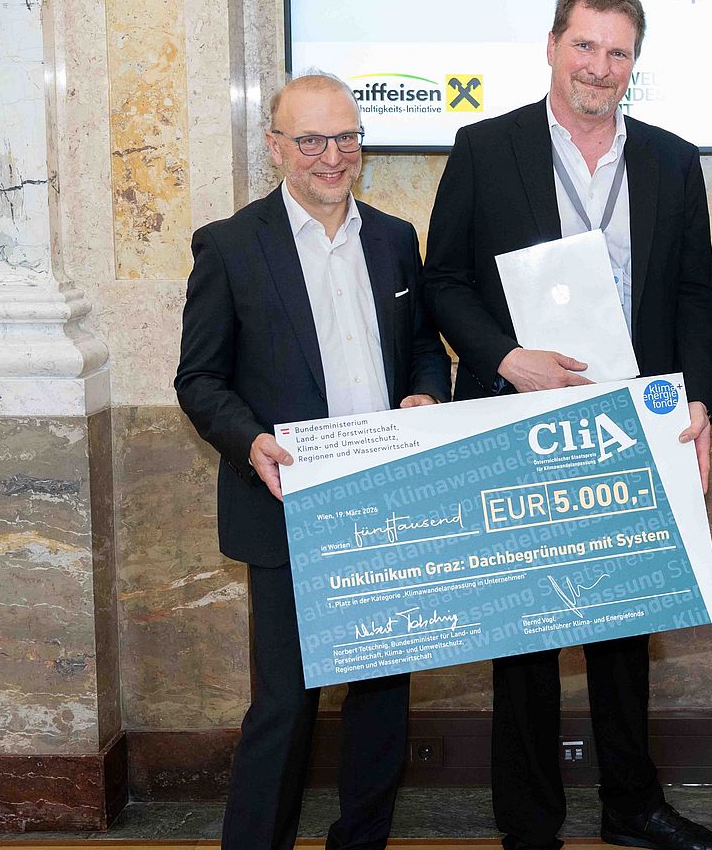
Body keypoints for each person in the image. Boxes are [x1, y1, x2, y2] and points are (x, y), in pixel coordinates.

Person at [422, 0, 712, 850]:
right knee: (525, 634)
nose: (600, 66)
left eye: (618, 52)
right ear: (553, 46)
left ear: (635, 64)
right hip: (521, 417)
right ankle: (529, 825)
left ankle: (633, 807)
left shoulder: (671, 159)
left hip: (631, 425)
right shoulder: (486, 147)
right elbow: (444, 280)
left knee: (626, 630)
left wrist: (696, 399)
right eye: (585, 46)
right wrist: (504, 357)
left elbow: (694, 296)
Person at [174, 72, 452, 850]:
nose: (333, 156)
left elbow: (425, 347)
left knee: (382, 698)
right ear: (275, 147)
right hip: (287, 506)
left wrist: (427, 395)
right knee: (285, 704)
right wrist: (250, 441)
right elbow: (199, 380)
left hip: (388, 504)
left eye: (347, 138)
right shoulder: (231, 246)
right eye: (311, 140)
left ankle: (361, 842)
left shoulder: (394, 239)